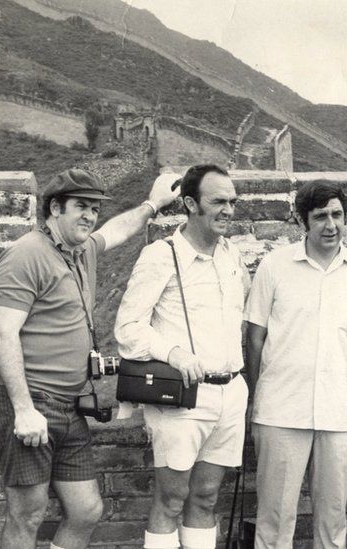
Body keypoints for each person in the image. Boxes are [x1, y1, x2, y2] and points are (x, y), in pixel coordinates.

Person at [0, 168, 177, 549]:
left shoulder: (79, 249)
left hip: (69, 407)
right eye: (80, 207)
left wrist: (153, 204)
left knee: (86, 509)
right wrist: (23, 409)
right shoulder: (26, 255)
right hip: (29, 400)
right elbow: (3, 334)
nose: (89, 216)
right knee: (29, 512)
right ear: (55, 208)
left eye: (94, 208)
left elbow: (118, 230)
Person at [245, 181, 347, 549]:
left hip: (339, 412)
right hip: (280, 411)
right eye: (320, 216)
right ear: (302, 221)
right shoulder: (275, 267)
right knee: (274, 520)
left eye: (337, 215)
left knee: (333, 519)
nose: (330, 225)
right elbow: (255, 337)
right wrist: (254, 399)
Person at [114, 164, 250, 549]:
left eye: (232, 202)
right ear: (190, 204)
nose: (228, 210)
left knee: (206, 497)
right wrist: (172, 352)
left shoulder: (231, 255)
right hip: (182, 396)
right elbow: (127, 329)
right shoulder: (162, 256)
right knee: (171, 499)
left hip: (229, 392)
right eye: (218, 202)